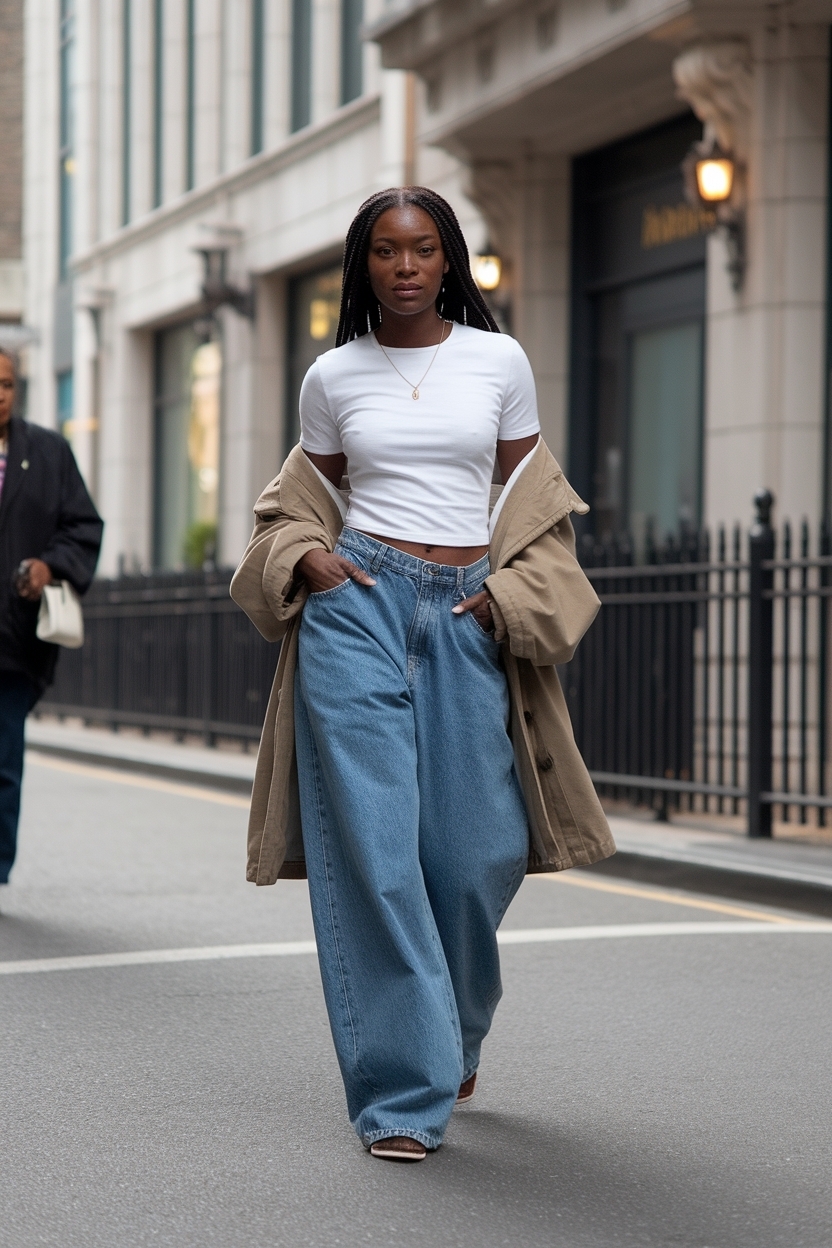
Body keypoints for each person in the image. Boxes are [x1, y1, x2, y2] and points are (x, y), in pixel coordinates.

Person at [231, 187, 615, 1161]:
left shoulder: (498, 362)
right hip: (356, 605)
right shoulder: (332, 376)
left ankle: (453, 1031)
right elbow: (299, 500)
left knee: (474, 852)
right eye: (386, 252)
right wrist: (309, 562)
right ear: (363, 267)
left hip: (465, 614)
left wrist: (503, 598)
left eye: (424, 249)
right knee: (375, 851)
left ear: (450, 262)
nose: (405, 267)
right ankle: (404, 1094)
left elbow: (533, 506)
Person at [0, 348, 103, 886]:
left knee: (2, 760)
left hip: (16, 642)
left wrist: (49, 566)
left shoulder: (48, 452)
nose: (0, 393)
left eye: (8, 383)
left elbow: (83, 527)